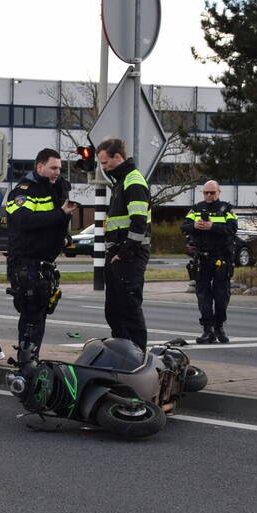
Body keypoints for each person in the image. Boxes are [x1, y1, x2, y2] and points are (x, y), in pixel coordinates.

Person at [4, 147, 77, 352]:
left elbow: (53, 225)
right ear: (39, 166)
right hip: (27, 263)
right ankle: (26, 365)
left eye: (59, 168)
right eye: (53, 167)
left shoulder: (53, 189)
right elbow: (24, 221)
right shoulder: (23, 191)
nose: (57, 172)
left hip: (44, 266)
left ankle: (31, 362)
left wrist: (63, 238)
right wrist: (61, 214)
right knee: (31, 317)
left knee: (39, 316)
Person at [96, 138, 151, 353]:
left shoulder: (133, 181)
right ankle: (122, 353)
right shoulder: (120, 182)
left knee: (129, 308)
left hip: (130, 257)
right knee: (114, 309)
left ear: (118, 157)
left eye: (105, 162)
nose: (103, 167)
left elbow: (139, 223)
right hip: (118, 255)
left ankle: (137, 355)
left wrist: (125, 253)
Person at [182, 180, 238, 343]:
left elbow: (232, 229)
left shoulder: (226, 209)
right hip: (202, 258)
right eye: (206, 192)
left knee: (221, 295)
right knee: (203, 295)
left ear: (218, 192)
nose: (208, 195)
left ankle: (219, 327)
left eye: (212, 193)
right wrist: (195, 226)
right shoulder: (197, 208)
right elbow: (184, 227)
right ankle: (208, 330)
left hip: (221, 258)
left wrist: (212, 226)